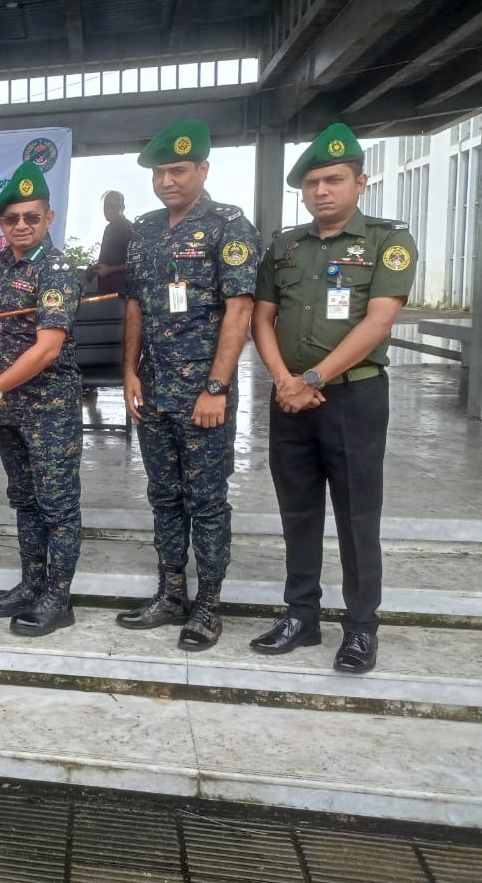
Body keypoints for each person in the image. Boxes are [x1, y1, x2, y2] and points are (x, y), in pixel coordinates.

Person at [248, 124, 417, 675]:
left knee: (356, 516)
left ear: (359, 183)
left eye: (334, 179)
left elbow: (379, 320)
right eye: (313, 182)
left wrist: (312, 378)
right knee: (298, 513)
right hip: (289, 398)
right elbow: (262, 317)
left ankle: (362, 629)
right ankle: (301, 615)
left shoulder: (387, 242)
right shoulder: (285, 245)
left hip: (354, 397)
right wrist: (283, 379)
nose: (322, 191)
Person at [117, 120, 260, 651]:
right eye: (160, 172)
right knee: (163, 496)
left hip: (204, 394)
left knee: (206, 499)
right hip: (153, 390)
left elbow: (239, 311)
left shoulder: (229, 226)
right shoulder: (146, 228)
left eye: (178, 170)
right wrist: (129, 371)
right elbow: (135, 305)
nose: (167, 181)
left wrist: (216, 388)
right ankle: (171, 592)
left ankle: (208, 605)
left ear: (202, 169)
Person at [0, 162, 85, 636]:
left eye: (31, 217)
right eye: (12, 218)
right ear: (0, 223)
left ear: (48, 219)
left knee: (58, 504)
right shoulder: (0, 264)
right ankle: (31, 584)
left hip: (48, 407)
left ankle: (59, 595)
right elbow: (2, 326)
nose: (21, 225)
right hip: (12, 406)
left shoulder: (56, 270)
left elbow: (48, 346)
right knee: (25, 500)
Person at [89, 190, 131, 295]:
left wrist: (109, 270)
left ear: (122, 208)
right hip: (105, 290)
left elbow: (135, 262)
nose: (108, 210)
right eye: (106, 206)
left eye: (113, 206)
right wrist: (95, 268)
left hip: (120, 292)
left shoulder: (127, 228)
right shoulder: (110, 228)